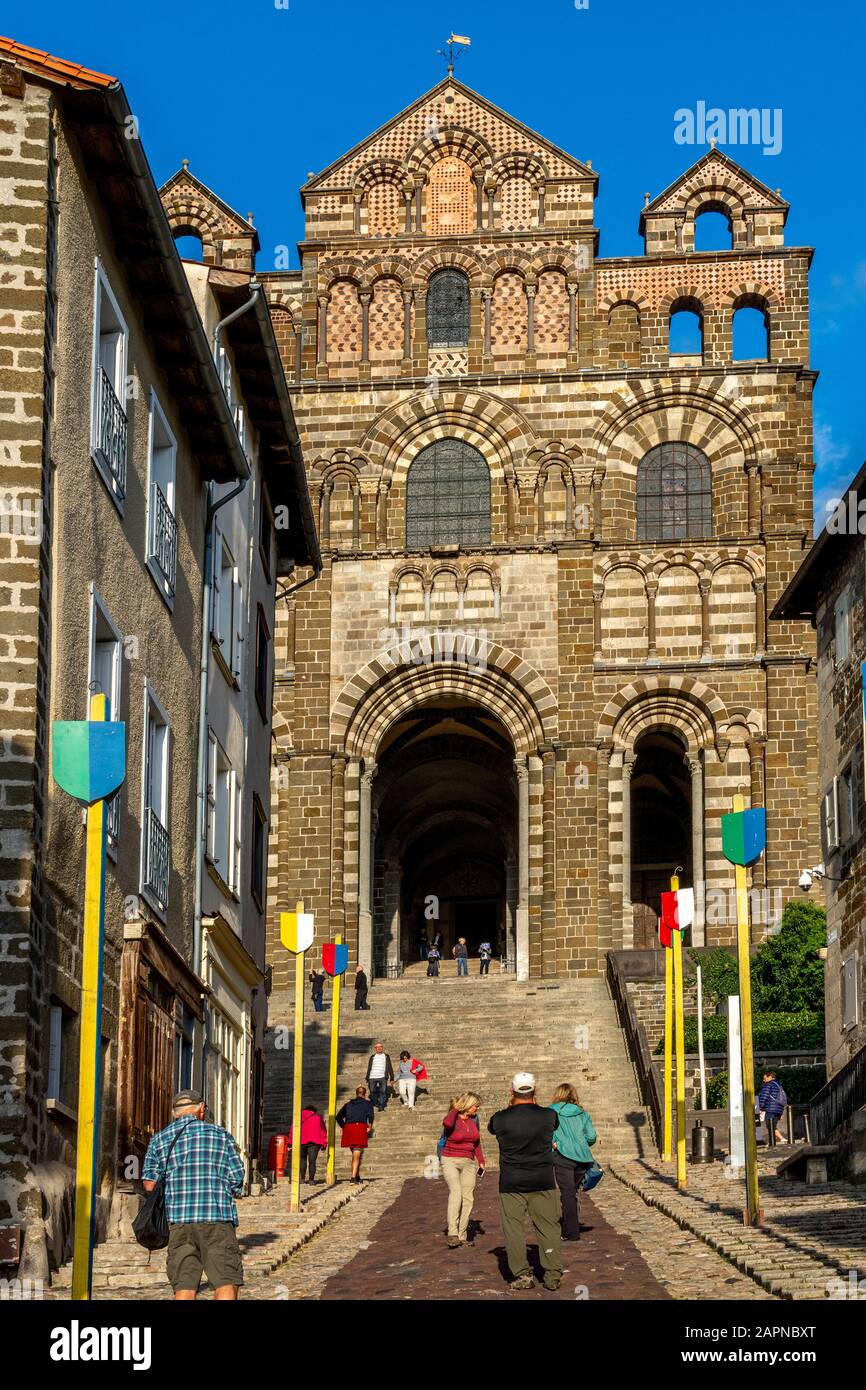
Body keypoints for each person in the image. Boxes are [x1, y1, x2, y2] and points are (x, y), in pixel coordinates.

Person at [141, 1088, 245, 1301]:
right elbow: (236, 1177)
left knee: (185, 1287)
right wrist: (232, 1189)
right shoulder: (220, 1135)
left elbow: (149, 1184)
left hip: (179, 1222)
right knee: (225, 1281)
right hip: (216, 1218)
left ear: (174, 1113)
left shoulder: (159, 1140)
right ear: (201, 1109)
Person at [487, 1072, 562, 1292]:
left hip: (512, 1180)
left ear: (512, 1092)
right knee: (548, 1227)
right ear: (534, 1091)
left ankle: (522, 1273)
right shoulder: (549, 1116)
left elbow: (492, 1128)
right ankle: (552, 1274)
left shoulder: (500, 1118)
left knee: (514, 1229)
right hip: (543, 1178)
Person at [549, 1083, 597, 1241]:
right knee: (573, 1192)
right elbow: (591, 1136)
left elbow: (546, 1133)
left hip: (562, 1155)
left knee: (567, 1193)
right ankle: (572, 1223)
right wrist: (581, 1144)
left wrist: (554, 1143)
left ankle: (571, 1232)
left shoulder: (551, 1112)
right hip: (582, 1158)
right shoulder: (582, 1113)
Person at [441, 1093, 486, 1248]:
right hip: (450, 1159)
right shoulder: (453, 1118)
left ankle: (462, 1235)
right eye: (476, 1106)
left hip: (468, 1161)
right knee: (456, 1193)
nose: (477, 1109)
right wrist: (456, 1108)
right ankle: (452, 1232)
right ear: (468, 1105)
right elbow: (446, 1124)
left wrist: (481, 1160)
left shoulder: (474, 1120)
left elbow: (477, 1142)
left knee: (468, 1198)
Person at [336, 1086, 375, 1183]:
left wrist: (344, 1127)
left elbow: (338, 1117)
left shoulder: (348, 1104)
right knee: (357, 1154)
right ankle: (353, 1177)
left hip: (349, 1128)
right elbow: (371, 1115)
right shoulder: (367, 1103)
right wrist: (370, 1126)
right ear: (364, 1094)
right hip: (359, 1127)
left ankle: (356, 1175)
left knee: (354, 1153)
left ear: (356, 1093)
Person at [289, 1104, 328, 1184]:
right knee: (312, 1161)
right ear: (314, 1111)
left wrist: (290, 1142)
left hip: (301, 1141)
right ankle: (311, 1180)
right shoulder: (318, 1118)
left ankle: (302, 1179)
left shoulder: (298, 1117)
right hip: (314, 1143)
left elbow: (292, 1130)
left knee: (302, 1160)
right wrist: (324, 1143)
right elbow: (323, 1131)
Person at [758, 1071, 788, 1146]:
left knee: (769, 1125)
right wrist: (781, 1112)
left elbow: (764, 1097)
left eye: (765, 1078)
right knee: (772, 1126)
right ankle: (780, 1139)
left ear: (770, 1077)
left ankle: (773, 1143)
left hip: (770, 1108)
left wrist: (761, 1107)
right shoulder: (779, 1085)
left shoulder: (768, 1085)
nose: (763, 1080)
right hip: (778, 1109)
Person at [366, 1042, 394, 1111]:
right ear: (375, 1049)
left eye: (380, 1046)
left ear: (382, 1048)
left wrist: (392, 1078)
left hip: (382, 1077)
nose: (378, 1048)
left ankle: (381, 1106)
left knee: (383, 1091)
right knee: (372, 1091)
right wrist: (367, 1077)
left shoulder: (386, 1056)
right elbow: (369, 1067)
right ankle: (376, 1103)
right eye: (377, 1047)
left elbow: (390, 1067)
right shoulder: (372, 1057)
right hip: (372, 1076)